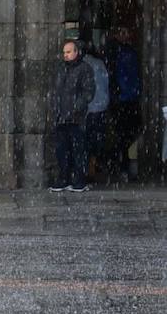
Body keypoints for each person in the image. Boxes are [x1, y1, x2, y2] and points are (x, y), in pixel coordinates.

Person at [49, 40, 95, 193]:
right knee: (62, 150)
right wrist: (55, 108)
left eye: (68, 52)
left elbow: (88, 92)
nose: (65, 55)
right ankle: (64, 178)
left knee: (78, 149)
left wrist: (77, 107)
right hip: (61, 116)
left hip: (76, 118)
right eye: (64, 52)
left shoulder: (84, 69)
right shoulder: (61, 69)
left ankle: (79, 180)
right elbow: (56, 91)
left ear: (76, 52)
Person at [106, 26, 142, 182]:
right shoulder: (118, 52)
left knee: (126, 134)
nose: (126, 35)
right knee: (124, 134)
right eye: (122, 33)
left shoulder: (126, 52)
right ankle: (122, 165)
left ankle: (122, 165)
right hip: (124, 100)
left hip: (127, 99)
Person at [83, 45, 110, 182]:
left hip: (87, 109)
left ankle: (86, 168)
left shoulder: (82, 64)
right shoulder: (99, 64)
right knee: (96, 138)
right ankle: (92, 165)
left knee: (86, 138)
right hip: (100, 106)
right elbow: (106, 84)